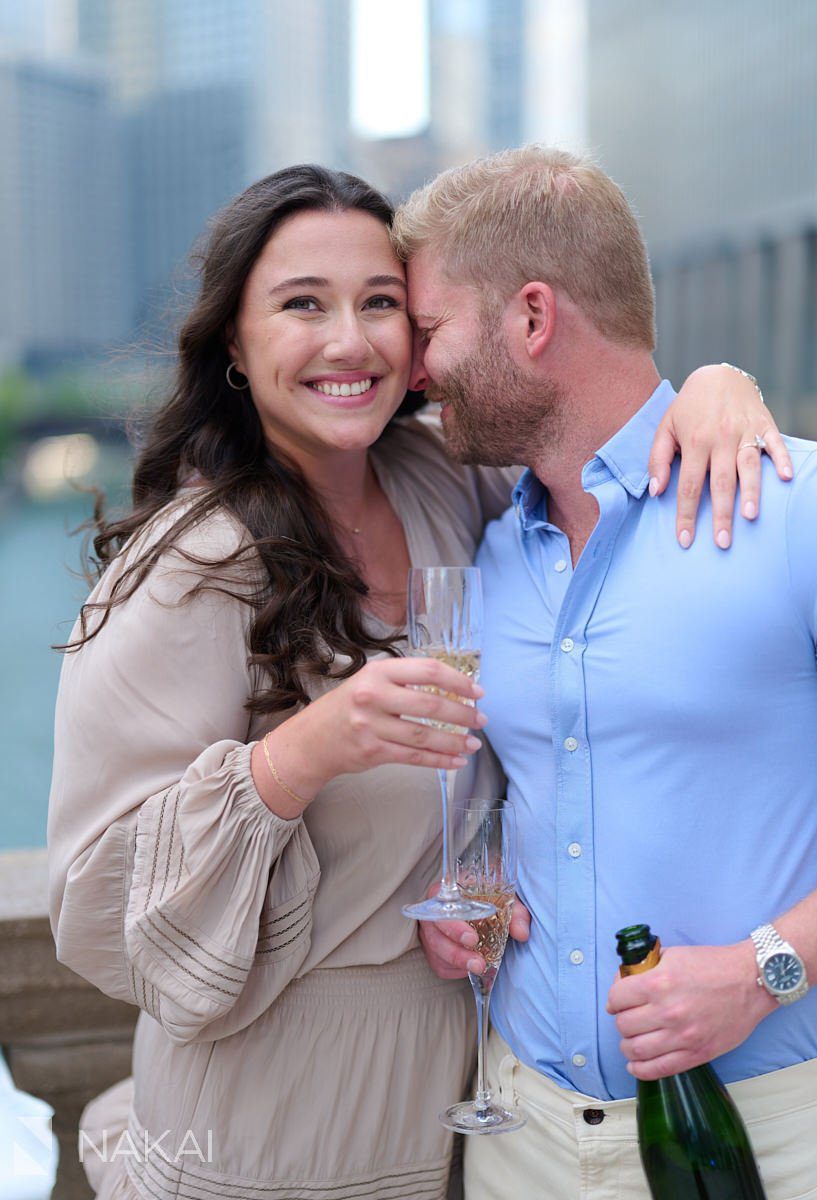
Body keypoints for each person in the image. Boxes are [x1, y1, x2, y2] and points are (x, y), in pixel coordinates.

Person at [48, 163, 776, 1200]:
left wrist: (715, 388)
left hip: (456, 1118)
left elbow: (586, 422)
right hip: (269, 1134)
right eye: (303, 305)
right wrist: (301, 754)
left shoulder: (445, 481)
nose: (350, 341)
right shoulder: (188, 568)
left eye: (381, 305)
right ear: (234, 352)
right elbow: (96, 909)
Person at [403, 145, 817, 1200]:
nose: (413, 367)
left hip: (759, 1138)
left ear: (532, 319)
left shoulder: (816, 517)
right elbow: (526, 786)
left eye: (430, 329)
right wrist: (471, 895)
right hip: (516, 1132)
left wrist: (765, 971)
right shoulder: (485, 558)